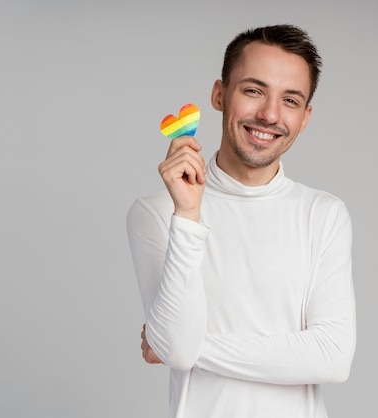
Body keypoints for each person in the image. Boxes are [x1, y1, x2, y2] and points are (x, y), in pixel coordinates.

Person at [127, 24, 356, 418]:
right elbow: (176, 348)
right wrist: (187, 214)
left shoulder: (323, 214)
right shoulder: (157, 213)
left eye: (290, 100)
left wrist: (190, 347)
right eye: (253, 90)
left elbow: (333, 357)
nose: (269, 114)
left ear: (305, 117)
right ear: (220, 95)